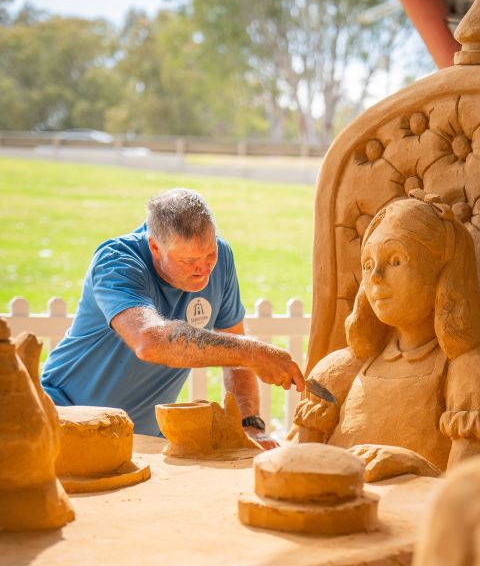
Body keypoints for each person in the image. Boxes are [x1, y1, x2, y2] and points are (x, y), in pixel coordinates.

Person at [291, 190, 480, 479]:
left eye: (395, 261)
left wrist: (412, 466)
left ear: (442, 272)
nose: (376, 276)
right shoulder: (337, 373)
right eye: (368, 264)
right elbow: (291, 471)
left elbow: (469, 502)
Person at [41, 188, 304, 446]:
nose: (204, 269)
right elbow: (149, 341)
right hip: (63, 417)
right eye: (189, 261)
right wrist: (253, 353)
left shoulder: (222, 258)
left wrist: (250, 425)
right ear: (155, 246)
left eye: (209, 253)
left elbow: (234, 348)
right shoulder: (116, 261)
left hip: (142, 438)